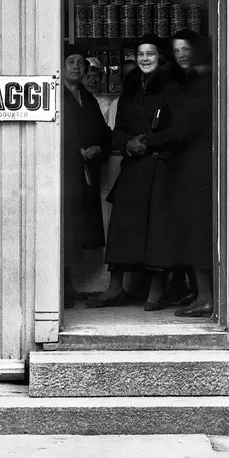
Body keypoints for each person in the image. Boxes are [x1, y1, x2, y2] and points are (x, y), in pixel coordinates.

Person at [87, 35, 191, 310]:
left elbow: (180, 129)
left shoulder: (173, 87)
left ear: (161, 58)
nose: (144, 59)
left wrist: (146, 142)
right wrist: (126, 144)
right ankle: (115, 287)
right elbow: (118, 128)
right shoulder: (131, 87)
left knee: (158, 230)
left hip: (161, 166)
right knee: (122, 227)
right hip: (133, 165)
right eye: (140, 54)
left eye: (151, 54)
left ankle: (156, 290)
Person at [166, 29, 215, 318]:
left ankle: (205, 298)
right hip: (195, 163)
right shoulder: (197, 80)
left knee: (197, 232)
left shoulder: (197, 83)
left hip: (196, 165)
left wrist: (148, 140)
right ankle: (201, 295)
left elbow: (183, 127)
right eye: (177, 50)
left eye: (186, 49)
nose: (182, 54)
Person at [61, 44, 112, 308]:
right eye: (71, 61)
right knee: (62, 227)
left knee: (76, 229)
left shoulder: (86, 97)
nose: (77, 67)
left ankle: (68, 285)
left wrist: (98, 148)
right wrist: (74, 149)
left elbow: (103, 131)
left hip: (83, 173)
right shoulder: (55, 93)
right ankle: (61, 286)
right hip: (62, 173)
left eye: (81, 62)